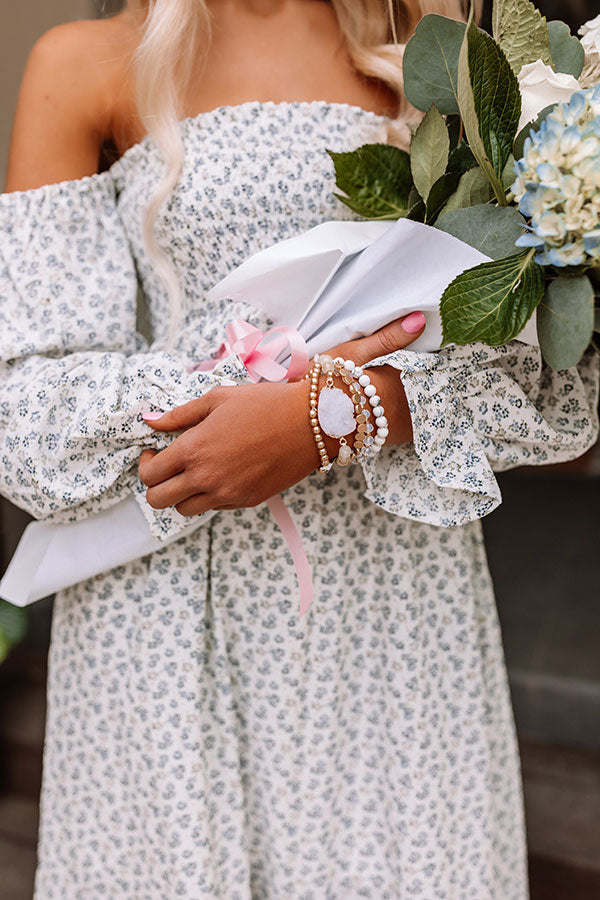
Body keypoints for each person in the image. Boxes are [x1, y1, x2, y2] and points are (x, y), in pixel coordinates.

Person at [1, 0, 597, 897]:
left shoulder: (443, 60)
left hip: (392, 606)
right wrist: (239, 391)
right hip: (166, 610)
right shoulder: (88, 63)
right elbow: (24, 421)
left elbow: (554, 386)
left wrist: (334, 416)